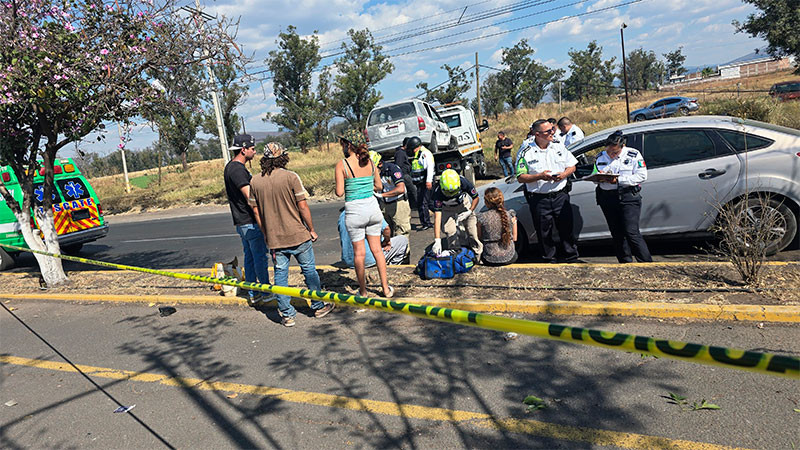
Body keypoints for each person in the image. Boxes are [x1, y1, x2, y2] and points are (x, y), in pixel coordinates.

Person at [249, 142, 335, 327]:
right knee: (309, 271)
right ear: (283, 157)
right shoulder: (291, 177)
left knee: (280, 275)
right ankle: (318, 306)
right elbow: (302, 206)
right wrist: (311, 229)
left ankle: (287, 314)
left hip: (275, 239)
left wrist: (266, 233)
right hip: (298, 235)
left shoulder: (255, 181)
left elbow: (256, 212)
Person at [335, 130, 393, 298]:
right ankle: (386, 288)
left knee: (359, 253)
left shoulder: (342, 165)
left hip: (355, 212)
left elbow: (339, 192)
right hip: (373, 209)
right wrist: (366, 186)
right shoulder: (371, 163)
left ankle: (363, 291)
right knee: (377, 251)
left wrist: (350, 186)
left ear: (348, 145)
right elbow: (379, 187)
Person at [516, 119, 580, 263]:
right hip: (540, 199)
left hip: (560, 195)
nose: (553, 132)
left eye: (552, 129)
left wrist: (564, 174)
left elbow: (572, 166)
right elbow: (521, 177)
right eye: (548, 131)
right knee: (544, 232)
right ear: (537, 134)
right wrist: (540, 176)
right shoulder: (526, 151)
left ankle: (571, 256)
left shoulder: (558, 146)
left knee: (566, 228)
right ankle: (549, 259)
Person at [223, 134, 271, 306]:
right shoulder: (237, 170)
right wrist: (261, 218)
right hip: (249, 221)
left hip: (241, 222)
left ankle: (253, 293)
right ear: (243, 149)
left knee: (250, 258)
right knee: (260, 257)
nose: (255, 152)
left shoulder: (230, 167)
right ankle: (266, 291)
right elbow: (250, 197)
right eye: (252, 148)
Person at [593, 130, 652, 263]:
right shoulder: (601, 156)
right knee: (616, 233)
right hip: (607, 198)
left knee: (631, 232)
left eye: (614, 152)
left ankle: (646, 263)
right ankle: (625, 262)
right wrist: (599, 177)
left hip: (627, 196)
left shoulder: (633, 155)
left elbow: (642, 176)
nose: (611, 155)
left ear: (622, 147)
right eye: (609, 152)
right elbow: (595, 174)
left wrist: (618, 180)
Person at [430, 169, 482, 260]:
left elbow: (476, 197)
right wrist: (437, 240)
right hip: (447, 208)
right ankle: (456, 256)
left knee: (472, 231)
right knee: (450, 231)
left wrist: (470, 211)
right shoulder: (437, 192)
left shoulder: (464, 182)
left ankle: (478, 255)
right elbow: (437, 218)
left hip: (463, 205)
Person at [338, 210, 410, 268]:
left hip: (348, 260)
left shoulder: (342, 215)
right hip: (368, 259)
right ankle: (391, 268)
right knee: (402, 240)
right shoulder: (369, 211)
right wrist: (387, 241)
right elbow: (386, 229)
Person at [370, 151, 411, 236]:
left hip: (398, 203)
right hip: (383, 204)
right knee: (385, 233)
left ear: (380, 164)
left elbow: (401, 188)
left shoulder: (393, 169)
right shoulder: (371, 174)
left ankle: (404, 249)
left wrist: (382, 195)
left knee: (401, 232)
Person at [477, 187, 518, 265]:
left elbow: (479, 238)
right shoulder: (510, 215)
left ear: (486, 202)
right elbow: (515, 238)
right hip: (509, 256)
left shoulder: (481, 217)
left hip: (489, 258)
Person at [408, 136, 435, 230]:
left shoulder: (425, 153)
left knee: (424, 203)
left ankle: (427, 223)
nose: (412, 150)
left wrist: (429, 181)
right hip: (420, 182)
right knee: (423, 202)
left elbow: (430, 167)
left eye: (413, 148)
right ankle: (426, 222)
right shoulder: (418, 154)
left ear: (417, 146)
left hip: (426, 182)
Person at [394, 137, 418, 207]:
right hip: (404, 175)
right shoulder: (400, 154)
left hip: (407, 174)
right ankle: (419, 206)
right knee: (414, 190)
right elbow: (398, 166)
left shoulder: (403, 153)